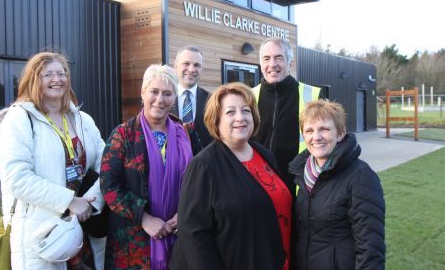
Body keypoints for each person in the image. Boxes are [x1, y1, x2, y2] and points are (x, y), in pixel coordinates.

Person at [0, 52, 106, 270]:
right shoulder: (19, 119)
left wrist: (91, 201)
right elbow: (17, 178)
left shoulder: (83, 120)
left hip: (84, 228)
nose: (57, 79)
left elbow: (107, 164)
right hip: (41, 233)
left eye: (62, 73)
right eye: (48, 74)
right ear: (34, 80)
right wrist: (70, 201)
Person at [170, 82, 292, 270]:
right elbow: (193, 235)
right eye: (230, 112)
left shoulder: (265, 155)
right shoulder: (203, 165)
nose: (240, 118)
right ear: (216, 120)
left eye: (245, 110)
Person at [100, 64, 202, 270]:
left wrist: (185, 214)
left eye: (167, 93)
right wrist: (145, 218)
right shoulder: (123, 135)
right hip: (134, 246)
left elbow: (204, 180)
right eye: (154, 92)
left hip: (180, 236)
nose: (160, 99)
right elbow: (109, 187)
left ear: (174, 98)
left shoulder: (188, 133)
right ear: (142, 93)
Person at [288, 100, 385, 270]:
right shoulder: (302, 175)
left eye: (324, 129)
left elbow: (370, 248)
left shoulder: (361, 177)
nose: (316, 137)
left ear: (340, 134)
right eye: (309, 131)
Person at [252, 38, 322, 193]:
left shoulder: (313, 97)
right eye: (266, 58)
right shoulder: (248, 97)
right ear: (260, 64)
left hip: (299, 190)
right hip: (256, 188)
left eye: (279, 58)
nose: (272, 64)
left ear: (290, 63)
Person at [172, 45, 212, 146]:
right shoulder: (163, 99)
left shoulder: (212, 100)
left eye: (197, 65)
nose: (191, 69)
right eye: (186, 63)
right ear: (175, 66)